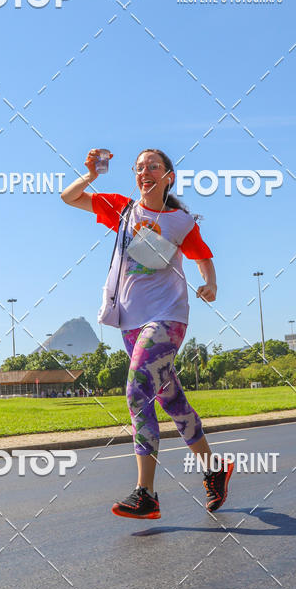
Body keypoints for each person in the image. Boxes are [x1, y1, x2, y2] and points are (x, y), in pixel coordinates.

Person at [61, 148, 234, 519]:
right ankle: (214, 469)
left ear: (168, 176)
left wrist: (211, 284)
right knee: (172, 402)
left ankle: (146, 494)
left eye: (153, 166)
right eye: (139, 168)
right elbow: (70, 197)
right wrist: (92, 172)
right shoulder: (124, 211)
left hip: (168, 318)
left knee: (138, 392)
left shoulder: (180, 222)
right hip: (130, 323)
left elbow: (203, 256)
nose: (145, 172)